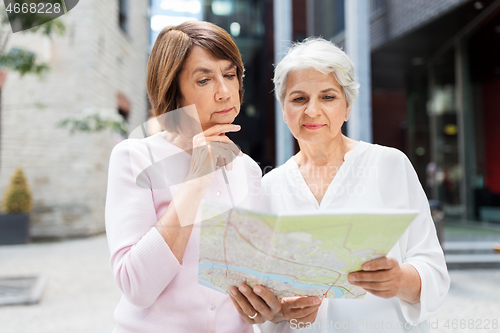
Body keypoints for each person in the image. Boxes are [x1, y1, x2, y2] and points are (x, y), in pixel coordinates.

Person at [229, 37, 450, 332]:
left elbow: (434, 271)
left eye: (328, 97)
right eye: (299, 98)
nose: (312, 111)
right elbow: (264, 299)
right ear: (284, 110)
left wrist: (398, 280)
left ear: (347, 107)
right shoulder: (269, 187)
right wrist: (279, 311)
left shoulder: (389, 165)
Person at [105, 21, 261, 332]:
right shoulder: (135, 158)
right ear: (173, 90)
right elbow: (136, 287)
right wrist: (197, 179)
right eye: (204, 80)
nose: (225, 92)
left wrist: (271, 307)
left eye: (230, 75)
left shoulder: (249, 170)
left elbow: (249, 285)